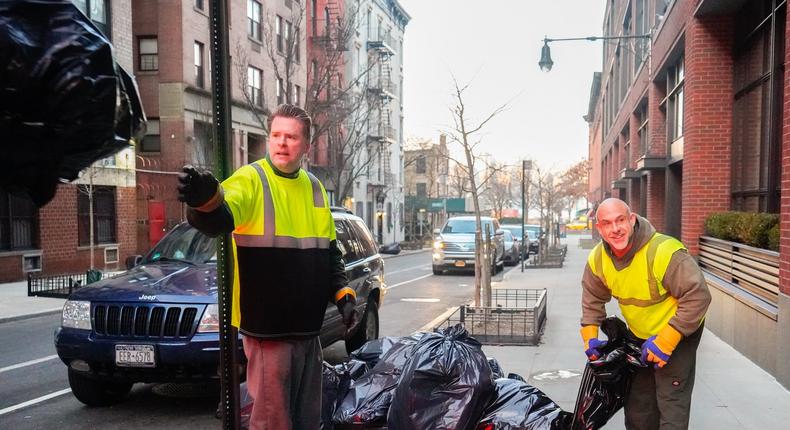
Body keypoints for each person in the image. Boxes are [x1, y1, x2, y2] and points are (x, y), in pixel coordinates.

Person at [177, 104, 357, 429]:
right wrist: (204, 201)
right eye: (276, 135)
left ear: (306, 144)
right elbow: (219, 217)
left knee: (307, 419)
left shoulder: (315, 188)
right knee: (274, 421)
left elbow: (329, 251)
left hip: (307, 328)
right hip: (267, 329)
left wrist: (342, 292)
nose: (281, 143)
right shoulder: (252, 179)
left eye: (290, 137)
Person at [580, 198, 711, 429]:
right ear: (599, 228)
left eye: (621, 220)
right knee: (638, 402)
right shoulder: (598, 259)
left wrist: (666, 340)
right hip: (639, 334)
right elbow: (592, 301)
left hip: (679, 331)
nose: (615, 229)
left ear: (632, 220)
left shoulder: (664, 251)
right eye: (607, 223)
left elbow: (697, 296)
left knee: (671, 399)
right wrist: (590, 339)